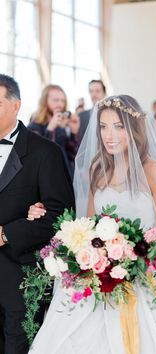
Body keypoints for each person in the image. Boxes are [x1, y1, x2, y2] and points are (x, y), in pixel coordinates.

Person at [27, 95, 156, 354]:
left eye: (118, 126)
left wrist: (126, 258)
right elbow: (90, 223)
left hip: (144, 270)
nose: (109, 135)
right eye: (103, 126)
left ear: (134, 129)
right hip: (98, 272)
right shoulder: (97, 168)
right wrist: (94, 256)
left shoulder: (154, 171)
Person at [0, 74, 75, 354]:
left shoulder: (46, 152)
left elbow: (60, 214)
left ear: (16, 105)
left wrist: (7, 233)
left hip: (22, 274)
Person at [28, 84, 80, 178]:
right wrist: (50, 128)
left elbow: (72, 156)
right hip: (46, 181)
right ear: (44, 101)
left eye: (63, 101)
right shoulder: (34, 126)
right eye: (56, 100)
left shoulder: (61, 126)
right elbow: (36, 157)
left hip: (65, 178)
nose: (60, 104)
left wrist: (73, 132)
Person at [78, 79, 106, 144]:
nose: (93, 94)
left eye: (97, 91)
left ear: (104, 93)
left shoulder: (112, 114)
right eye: (91, 91)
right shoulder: (81, 116)